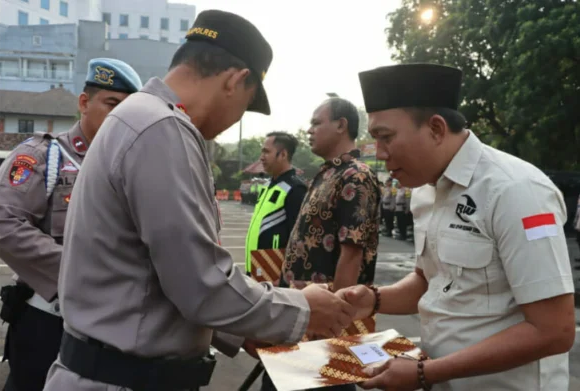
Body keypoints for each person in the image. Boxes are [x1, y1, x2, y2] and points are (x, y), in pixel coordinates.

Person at [42, 10, 355, 391]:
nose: (234, 117)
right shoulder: (162, 129)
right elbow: (200, 284)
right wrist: (304, 308)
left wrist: (241, 333)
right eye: (246, 103)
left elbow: (156, 278)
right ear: (235, 80)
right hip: (124, 379)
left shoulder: (139, 119)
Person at [338, 63, 575, 391]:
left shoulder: (515, 190)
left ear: (436, 128)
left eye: (386, 137)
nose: (379, 154)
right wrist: (373, 299)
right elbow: (430, 280)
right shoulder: (424, 190)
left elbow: (554, 330)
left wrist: (423, 373)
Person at [0, 58, 142, 391]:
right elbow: (3, 224)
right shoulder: (44, 156)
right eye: (111, 104)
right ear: (83, 103)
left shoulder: (129, 169)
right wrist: (86, 274)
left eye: (126, 111)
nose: (118, 117)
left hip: (109, 328)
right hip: (49, 322)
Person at [275, 97, 381, 391]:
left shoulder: (356, 176)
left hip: (321, 329)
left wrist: (330, 329)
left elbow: (351, 256)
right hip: (300, 319)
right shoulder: (327, 173)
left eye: (316, 122)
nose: (309, 130)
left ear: (341, 125)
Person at [245, 131, 307, 280]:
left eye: (266, 152)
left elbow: (298, 239)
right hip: (255, 268)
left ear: (283, 154)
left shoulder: (295, 188)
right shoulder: (268, 186)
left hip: (273, 273)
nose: (261, 157)